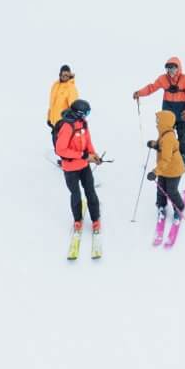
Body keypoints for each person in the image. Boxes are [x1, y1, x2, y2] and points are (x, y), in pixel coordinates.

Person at [53, 97, 107, 260]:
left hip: (84, 166)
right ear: (79, 113)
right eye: (86, 114)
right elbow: (60, 150)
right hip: (70, 168)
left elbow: (88, 142)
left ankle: (95, 219)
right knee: (76, 194)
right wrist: (83, 155)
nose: (87, 117)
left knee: (90, 191)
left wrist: (93, 155)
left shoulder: (83, 123)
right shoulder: (67, 127)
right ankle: (77, 220)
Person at [133, 56, 185, 179]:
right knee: (166, 136)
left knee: (182, 136)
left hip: (181, 112)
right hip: (168, 113)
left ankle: (183, 157)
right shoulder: (163, 79)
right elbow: (151, 88)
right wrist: (139, 93)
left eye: (173, 68)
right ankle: (164, 156)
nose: (170, 71)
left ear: (178, 68)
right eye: (168, 68)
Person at [146, 107, 185, 249]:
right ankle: (161, 206)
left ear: (165, 122)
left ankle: (179, 207)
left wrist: (155, 172)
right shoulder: (164, 134)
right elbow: (162, 147)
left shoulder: (168, 137)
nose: (157, 123)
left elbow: (166, 158)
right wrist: (155, 144)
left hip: (174, 170)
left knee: (171, 190)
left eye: (158, 121)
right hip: (165, 170)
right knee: (161, 187)